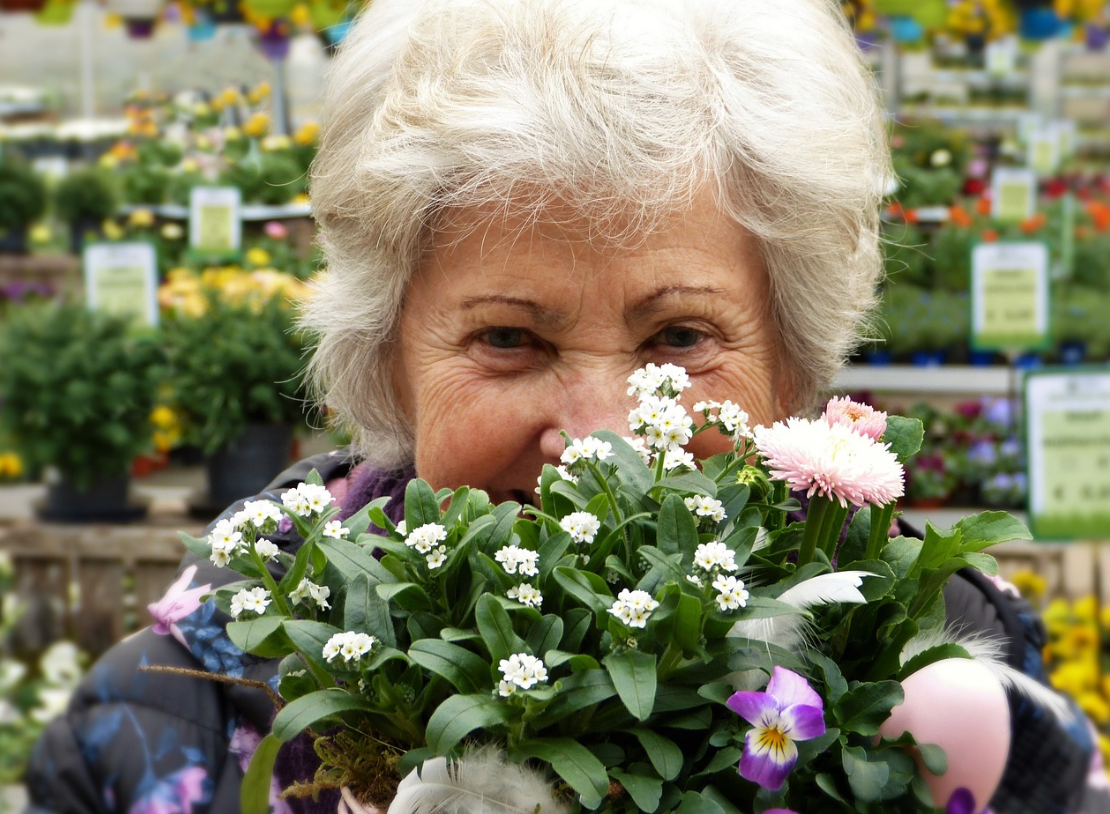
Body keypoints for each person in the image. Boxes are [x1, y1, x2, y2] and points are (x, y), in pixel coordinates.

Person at [23, 0, 1105, 812]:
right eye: (508, 338)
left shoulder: (941, 679)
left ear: (794, 364)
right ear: (388, 360)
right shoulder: (167, 720)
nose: (598, 439)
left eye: (680, 338)